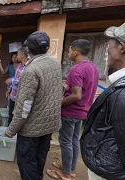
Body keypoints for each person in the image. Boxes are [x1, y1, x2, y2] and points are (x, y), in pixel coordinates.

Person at [5, 31, 62, 180]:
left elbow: (24, 107)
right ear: (47, 47)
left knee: (27, 163)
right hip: (48, 126)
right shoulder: (56, 64)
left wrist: (12, 129)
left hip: (31, 130)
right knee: (39, 160)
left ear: (28, 50)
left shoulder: (31, 71)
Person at [47, 39, 99, 180]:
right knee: (74, 140)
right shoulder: (93, 68)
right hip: (83, 111)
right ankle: (70, 167)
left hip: (71, 112)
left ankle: (65, 173)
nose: (68, 53)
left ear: (75, 53)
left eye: (69, 51)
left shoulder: (76, 69)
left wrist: (58, 102)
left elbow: (76, 95)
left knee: (65, 141)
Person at [81, 23, 125, 180]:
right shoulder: (118, 83)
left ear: (122, 48)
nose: (107, 47)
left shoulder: (122, 93)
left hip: (110, 170)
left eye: (110, 42)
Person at [6, 48, 29, 126]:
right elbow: (16, 78)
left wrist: (11, 80)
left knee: (19, 116)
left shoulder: (29, 67)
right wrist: (9, 89)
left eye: (18, 55)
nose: (16, 56)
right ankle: (9, 131)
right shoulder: (19, 66)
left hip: (21, 97)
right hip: (13, 96)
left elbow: (24, 80)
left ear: (22, 55)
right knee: (11, 114)